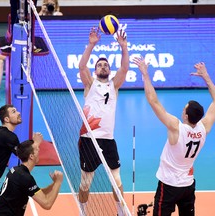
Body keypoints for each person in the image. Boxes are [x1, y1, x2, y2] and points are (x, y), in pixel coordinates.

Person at [133, 58, 215, 216]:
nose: (182, 110)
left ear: (186, 116)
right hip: (188, 186)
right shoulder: (204, 128)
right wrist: (206, 77)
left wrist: (145, 75)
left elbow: (153, 101)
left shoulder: (176, 127)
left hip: (168, 186)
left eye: (184, 109)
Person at [78, 27, 129, 216]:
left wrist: (124, 47)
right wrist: (91, 45)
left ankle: (121, 212)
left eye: (105, 65)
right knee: (86, 182)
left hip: (108, 140)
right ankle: (83, 211)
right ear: (95, 69)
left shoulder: (114, 85)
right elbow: (82, 67)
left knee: (117, 180)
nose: (103, 67)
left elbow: (124, 68)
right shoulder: (90, 84)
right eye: (99, 65)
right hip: (89, 139)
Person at [0, 137, 64, 215]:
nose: (39, 150)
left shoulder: (17, 170)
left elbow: (37, 192)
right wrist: (58, 183)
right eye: (36, 149)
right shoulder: (25, 177)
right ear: (31, 156)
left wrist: (54, 183)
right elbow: (47, 204)